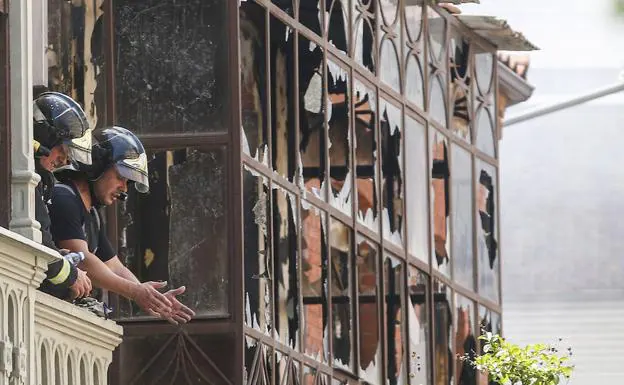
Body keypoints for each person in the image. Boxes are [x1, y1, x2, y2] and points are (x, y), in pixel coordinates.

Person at [49, 126, 195, 324]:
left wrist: (150, 296)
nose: (124, 189)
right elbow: (83, 260)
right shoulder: (64, 198)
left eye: (128, 182)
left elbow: (113, 265)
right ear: (96, 166)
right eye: (120, 177)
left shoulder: (91, 213)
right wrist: (135, 292)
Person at [33, 90, 93, 300]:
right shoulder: (24, 180)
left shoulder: (39, 181)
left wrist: (58, 257)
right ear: (43, 138)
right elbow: (34, 245)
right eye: (62, 151)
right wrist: (71, 276)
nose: (65, 161)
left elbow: (40, 244)